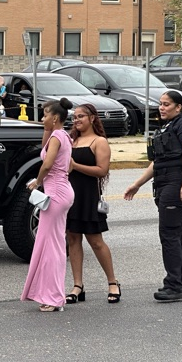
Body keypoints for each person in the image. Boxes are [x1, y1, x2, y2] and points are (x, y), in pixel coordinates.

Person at [124, 90, 182, 302]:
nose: (162, 107)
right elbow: (158, 162)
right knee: (178, 232)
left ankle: (173, 286)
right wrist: (137, 184)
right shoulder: (166, 127)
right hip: (165, 181)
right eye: (160, 103)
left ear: (178, 107)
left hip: (177, 182)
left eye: (167, 104)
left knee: (169, 234)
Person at [21, 98, 75, 312]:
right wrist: (47, 127)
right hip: (60, 191)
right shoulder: (62, 136)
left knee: (53, 247)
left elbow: (47, 163)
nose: (42, 118)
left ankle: (54, 297)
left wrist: (38, 182)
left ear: (55, 118)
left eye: (45, 115)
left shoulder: (58, 137)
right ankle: (50, 294)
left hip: (56, 194)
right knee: (49, 244)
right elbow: (52, 155)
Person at [65, 104, 121, 305]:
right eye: (74, 117)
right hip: (70, 196)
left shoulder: (99, 141)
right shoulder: (72, 140)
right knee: (72, 239)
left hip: (88, 196)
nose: (76, 120)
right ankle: (77, 286)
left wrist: (75, 166)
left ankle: (113, 282)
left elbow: (102, 170)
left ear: (92, 118)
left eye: (81, 116)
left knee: (95, 241)